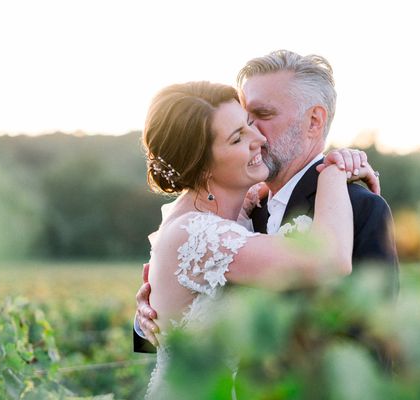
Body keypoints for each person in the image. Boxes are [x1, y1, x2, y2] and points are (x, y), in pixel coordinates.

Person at [125, 80, 374, 400]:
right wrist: (332, 172)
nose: (258, 138)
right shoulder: (194, 233)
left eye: (252, 123)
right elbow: (328, 259)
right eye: (239, 136)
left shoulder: (238, 212)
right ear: (203, 163)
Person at [134, 50, 398, 350]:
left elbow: (377, 343)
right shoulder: (223, 218)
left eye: (261, 116)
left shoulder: (361, 208)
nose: (255, 135)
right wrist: (148, 318)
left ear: (314, 121)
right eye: (242, 126)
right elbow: (170, 325)